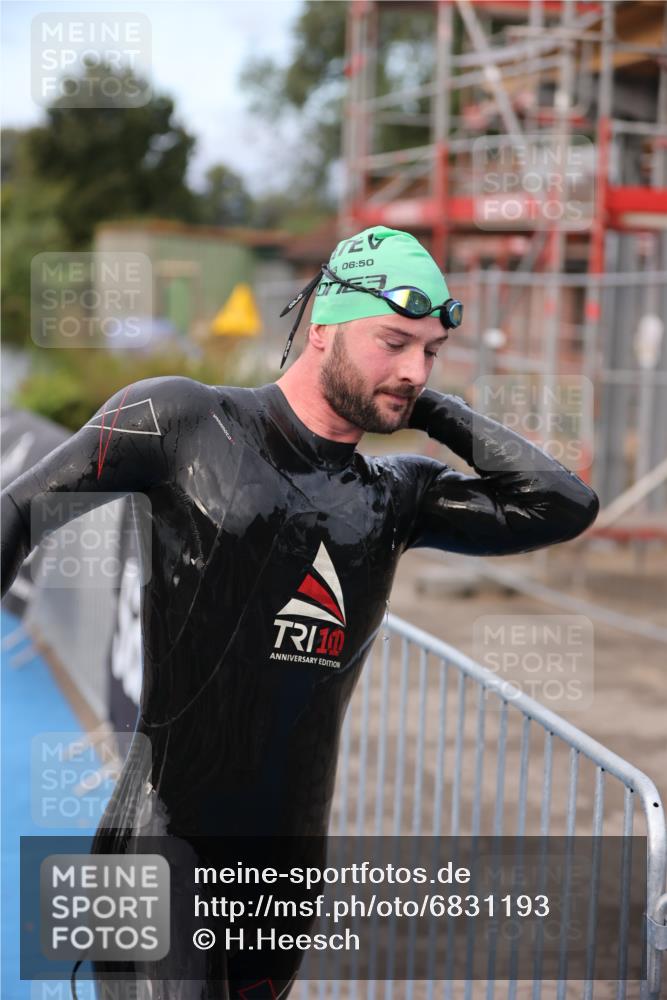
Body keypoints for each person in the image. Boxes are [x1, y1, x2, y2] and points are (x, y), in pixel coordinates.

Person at [1, 226, 599, 999]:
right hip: (160, 845)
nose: (414, 370)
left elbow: (562, 505)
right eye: (393, 342)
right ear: (321, 326)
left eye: (431, 352)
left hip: (284, 870)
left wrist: (430, 409)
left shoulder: (397, 495)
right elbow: (17, 512)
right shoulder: (182, 420)